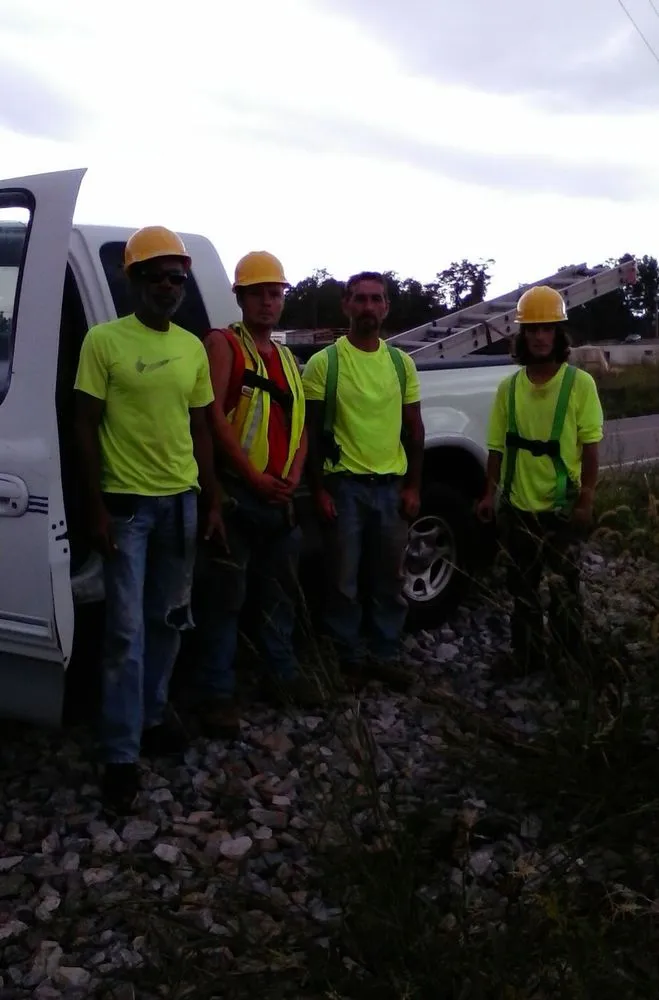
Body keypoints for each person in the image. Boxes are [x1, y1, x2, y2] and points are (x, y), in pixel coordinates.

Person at [75, 226, 224, 812]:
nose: (169, 286)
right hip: (128, 508)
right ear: (132, 279)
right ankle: (119, 752)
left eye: (178, 277)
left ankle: (154, 717)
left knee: (168, 620)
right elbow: (83, 425)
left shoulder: (191, 347)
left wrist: (212, 501)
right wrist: (95, 508)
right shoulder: (104, 342)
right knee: (124, 633)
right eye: (157, 275)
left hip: (182, 504)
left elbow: (202, 429)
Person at [194, 250, 316, 736]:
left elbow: (302, 424)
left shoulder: (286, 357)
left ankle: (280, 676)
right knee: (225, 600)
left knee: (279, 597)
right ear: (240, 297)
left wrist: (292, 477)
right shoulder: (225, 345)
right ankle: (217, 695)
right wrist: (253, 476)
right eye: (258, 294)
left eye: (275, 293)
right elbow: (213, 419)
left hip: (278, 499)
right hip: (241, 496)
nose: (268, 302)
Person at [302, 271, 425, 689]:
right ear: (346, 305)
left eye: (377, 299)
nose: (369, 307)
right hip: (345, 488)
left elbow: (415, 429)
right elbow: (312, 434)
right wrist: (318, 490)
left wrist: (413, 486)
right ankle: (349, 660)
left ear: (387, 306)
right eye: (361, 299)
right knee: (343, 581)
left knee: (390, 579)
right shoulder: (325, 364)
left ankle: (386, 653)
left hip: (391, 488)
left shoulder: (400, 363)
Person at [476, 284, 603, 675]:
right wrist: (488, 495)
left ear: (558, 334)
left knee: (564, 591)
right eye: (533, 330)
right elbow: (496, 447)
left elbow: (590, 447)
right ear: (523, 336)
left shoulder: (579, 385)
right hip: (518, 508)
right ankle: (526, 655)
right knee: (522, 589)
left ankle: (569, 662)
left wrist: (585, 499)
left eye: (547, 329)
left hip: (561, 508)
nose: (540, 336)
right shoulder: (508, 388)